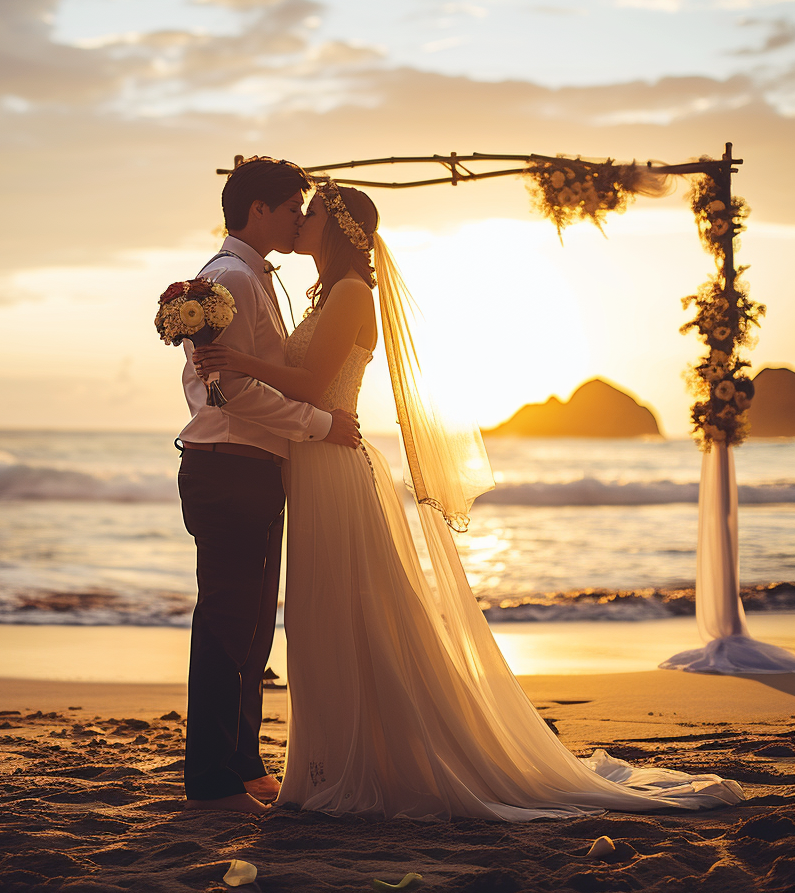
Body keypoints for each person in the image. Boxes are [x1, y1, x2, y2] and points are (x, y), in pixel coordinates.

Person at [192, 179, 744, 820]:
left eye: (309, 213)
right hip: (311, 463)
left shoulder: (348, 294)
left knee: (339, 616)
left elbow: (314, 384)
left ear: (336, 230)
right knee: (317, 618)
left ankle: (347, 764)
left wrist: (240, 361)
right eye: (297, 210)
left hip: (333, 464)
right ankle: (322, 763)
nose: (300, 222)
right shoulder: (316, 293)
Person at [176, 157, 361, 815]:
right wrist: (318, 424)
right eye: (291, 209)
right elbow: (229, 390)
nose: (296, 220)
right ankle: (212, 782)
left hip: (250, 466)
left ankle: (242, 762)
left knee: (252, 629)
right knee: (228, 625)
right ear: (259, 208)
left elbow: (233, 378)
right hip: (229, 465)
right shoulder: (231, 278)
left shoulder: (248, 278)